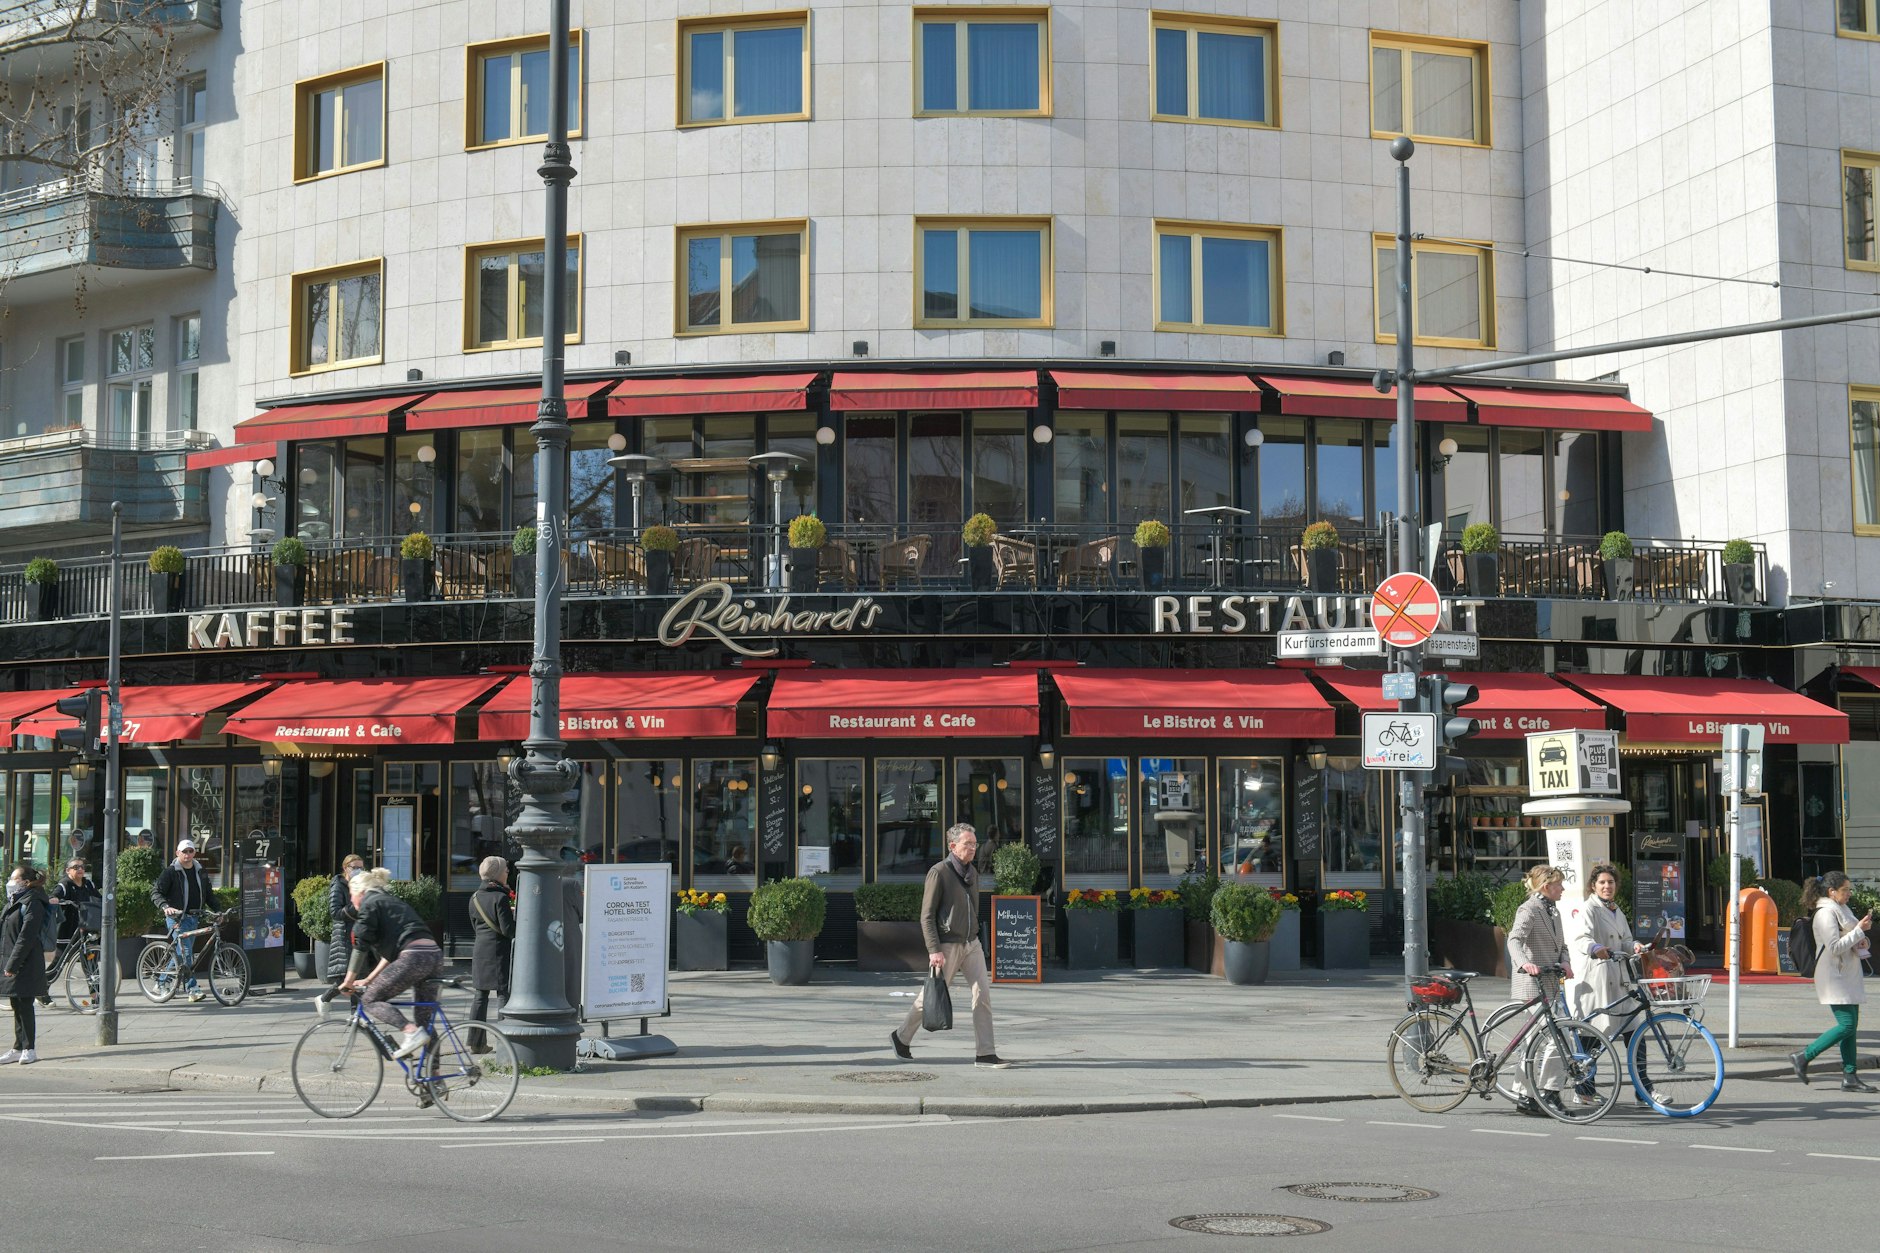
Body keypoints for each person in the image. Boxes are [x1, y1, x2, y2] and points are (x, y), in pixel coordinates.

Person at [889, 823, 1008, 1068]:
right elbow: (927, 915)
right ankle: (901, 1037)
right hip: (947, 945)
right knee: (930, 997)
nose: (973, 848)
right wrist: (934, 950)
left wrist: (975, 933)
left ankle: (985, 1053)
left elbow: (972, 908)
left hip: (971, 943)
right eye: (968, 844)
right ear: (953, 846)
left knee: (982, 995)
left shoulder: (972, 873)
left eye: (975, 844)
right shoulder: (939, 872)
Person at [334, 867, 443, 1064]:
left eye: (351, 895)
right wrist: (368, 978)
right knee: (424, 1020)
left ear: (360, 892)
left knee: (370, 1000)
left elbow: (360, 946)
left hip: (414, 957)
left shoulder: (369, 904)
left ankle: (409, 1032)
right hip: (433, 955)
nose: (351, 901)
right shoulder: (391, 902)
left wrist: (348, 981)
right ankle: (433, 1079)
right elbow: (390, 954)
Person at [1565, 862, 1651, 1104]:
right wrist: (1595, 948)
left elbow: (1624, 939)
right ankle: (1584, 1089)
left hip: (1619, 981)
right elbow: (1581, 938)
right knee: (1592, 1037)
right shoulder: (1588, 909)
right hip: (1597, 982)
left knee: (1636, 1035)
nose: (1607, 886)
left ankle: (1644, 1090)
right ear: (1593, 886)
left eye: (1610, 882)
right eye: (1602, 882)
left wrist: (1633, 946)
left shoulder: (1616, 910)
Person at [1788, 871, 1876, 1092]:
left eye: (1849, 889)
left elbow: (1850, 938)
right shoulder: (1826, 913)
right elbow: (1835, 946)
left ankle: (1850, 1076)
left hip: (1846, 973)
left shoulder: (1841, 909)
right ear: (1832, 891)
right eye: (1845, 889)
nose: (1849, 893)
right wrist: (1859, 932)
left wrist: (1862, 939)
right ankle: (1803, 1056)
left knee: (1851, 1027)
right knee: (1846, 1025)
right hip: (1833, 975)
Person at [1506, 864, 1575, 1113]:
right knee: (1553, 1038)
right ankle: (1548, 1092)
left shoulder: (1553, 911)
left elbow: (1561, 944)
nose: (1563, 888)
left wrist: (1565, 961)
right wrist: (1524, 963)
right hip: (1531, 985)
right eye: (1559, 884)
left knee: (1540, 1040)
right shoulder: (1529, 909)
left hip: (1551, 983)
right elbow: (1514, 939)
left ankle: (1526, 1095)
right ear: (1547, 887)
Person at [151, 837, 213, 1003]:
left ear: (195, 853)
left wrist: (219, 911)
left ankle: (162, 982)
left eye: (190, 851)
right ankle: (192, 989)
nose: (187, 854)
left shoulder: (201, 871)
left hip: (194, 918)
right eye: (184, 851)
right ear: (177, 853)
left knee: (181, 954)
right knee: (186, 954)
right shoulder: (170, 872)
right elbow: (156, 892)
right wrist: (166, 907)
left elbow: (209, 895)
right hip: (177, 918)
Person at [0, 865, 51, 1064]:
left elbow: (26, 937)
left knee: (25, 1003)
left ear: (26, 882)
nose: (10, 882)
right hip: (11, 958)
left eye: (14, 878)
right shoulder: (14, 900)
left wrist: (13, 964)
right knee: (16, 1002)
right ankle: (17, 1046)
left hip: (26, 962)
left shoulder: (33, 902)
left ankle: (29, 1048)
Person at [467, 855, 514, 1054]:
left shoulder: (475, 897)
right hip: (498, 952)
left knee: (480, 996)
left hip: (480, 950)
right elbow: (508, 930)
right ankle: (505, 1043)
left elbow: (475, 925)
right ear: (497, 874)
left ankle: (476, 1043)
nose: (507, 872)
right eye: (505, 870)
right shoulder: (500, 897)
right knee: (503, 994)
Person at [324, 853, 366, 986]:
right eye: (354, 867)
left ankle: (325, 999)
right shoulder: (338, 885)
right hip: (344, 934)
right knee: (349, 975)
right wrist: (355, 907)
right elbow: (335, 912)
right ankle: (326, 999)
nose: (358, 871)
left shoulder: (359, 885)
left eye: (361, 868)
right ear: (345, 867)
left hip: (358, 932)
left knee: (354, 975)